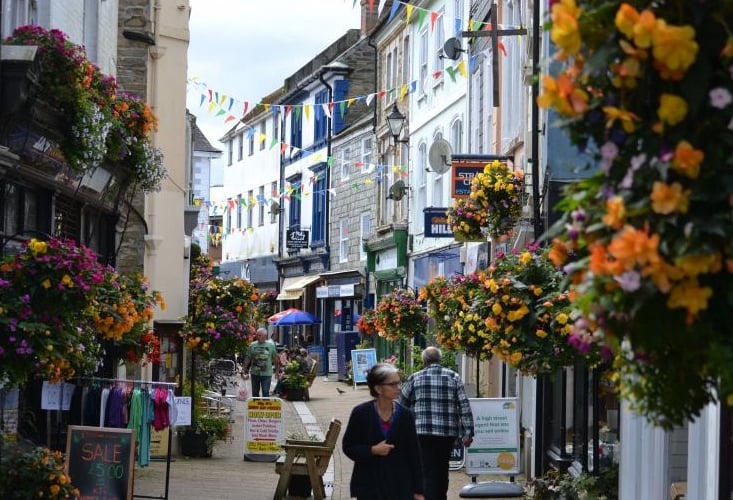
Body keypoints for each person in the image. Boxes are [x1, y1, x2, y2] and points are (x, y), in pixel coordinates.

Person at [399, 346, 474, 500]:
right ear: (439, 359)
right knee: (442, 469)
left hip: (421, 433)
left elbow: (401, 404)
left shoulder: (415, 378)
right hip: (446, 434)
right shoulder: (453, 377)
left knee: (426, 470)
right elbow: (464, 405)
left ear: (424, 361)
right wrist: (468, 432)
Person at [342, 363, 425, 500]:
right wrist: (373, 450)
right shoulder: (361, 413)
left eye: (399, 383)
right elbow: (348, 447)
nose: (399, 388)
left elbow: (414, 454)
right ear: (378, 388)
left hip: (400, 487)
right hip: (370, 486)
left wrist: (419, 490)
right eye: (393, 384)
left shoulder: (406, 415)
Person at [243, 327, 279, 397]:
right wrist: (244, 368)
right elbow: (248, 358)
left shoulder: (271, 345)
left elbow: (275, 359)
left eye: (259, 335)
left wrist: (277, 371)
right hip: (255, 373)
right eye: (257, 335)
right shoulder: (252, 345)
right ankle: (256, 407)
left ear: (265, 336)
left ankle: (265, 407)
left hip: (267, 374)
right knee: (255, 393)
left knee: (265, 392)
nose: (257, 336)